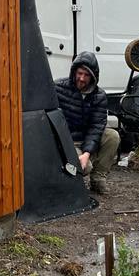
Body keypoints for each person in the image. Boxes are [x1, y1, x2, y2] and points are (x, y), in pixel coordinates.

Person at [55, 51, 120, 194]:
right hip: (67, 141)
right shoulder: (58, 88)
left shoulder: (99, 96)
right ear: (74, 72)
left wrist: (87, 153)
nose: (81, 78)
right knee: (85, 167)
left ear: (93, 77)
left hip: (86, 139)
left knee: (112, 136)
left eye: (86, 75)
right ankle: (66, 182)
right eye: (79, 73)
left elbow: (96, 127)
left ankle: (98, 179)